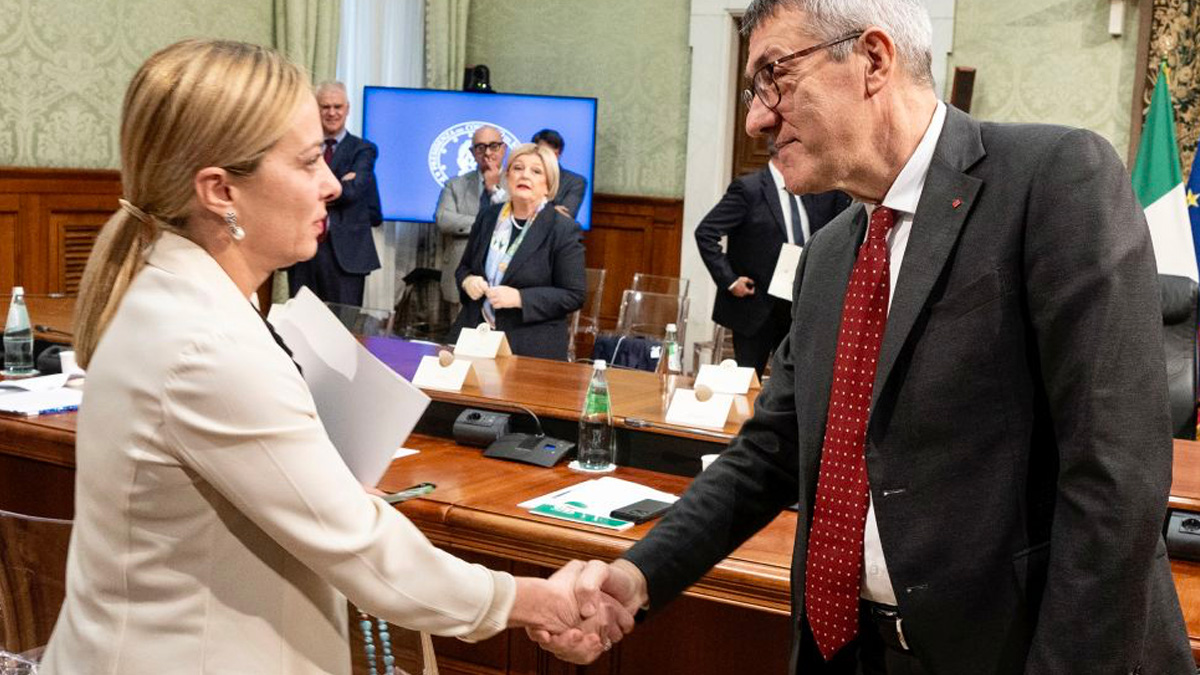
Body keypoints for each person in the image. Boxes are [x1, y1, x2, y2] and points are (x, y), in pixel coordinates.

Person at [538, 0, 1196, 673]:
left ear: (874, 60)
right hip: (851, 652)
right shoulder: (828, 256)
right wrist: (636, 578)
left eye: (775, 77)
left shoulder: (1054, 180)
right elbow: (769, 452)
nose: (756, 118)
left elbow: (1116, 477)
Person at [42, 39, 628, 674]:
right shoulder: (207, 344)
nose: (330, 184)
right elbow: (361, 549)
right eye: (307, 161)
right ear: (220, 191)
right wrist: (534, 599)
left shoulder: (174, 294)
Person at [695, 144, 849, 375]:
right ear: (784, 153)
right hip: (756, 304)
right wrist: (730, 280)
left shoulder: (809, 188)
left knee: (791, 379)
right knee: (748, 380)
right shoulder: (748, 189)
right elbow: (706, 232)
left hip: (797, 303)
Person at [448, 143, 585, 360]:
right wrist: (467, 282)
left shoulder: (562, 229)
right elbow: (463, 268)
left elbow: (573, 295)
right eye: (518, 168)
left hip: (529, 345)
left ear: (548, 185)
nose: (525, 175)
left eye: (536, 171)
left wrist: (520, 298)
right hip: (474, 335)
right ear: (507, 177)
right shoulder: (488, 217)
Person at [286, 81, 383, 307]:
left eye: (337, 107)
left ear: (347, 109)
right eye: (325, 106)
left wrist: (310, 185)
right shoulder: (299, 147)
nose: (332, 113)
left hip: (346, 256)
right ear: (316, 109)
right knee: (300, 326)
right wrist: (341, 183)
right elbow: (291, 188)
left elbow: (353, 191)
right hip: (303, 251)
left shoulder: (363, 149)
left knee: (344, 329)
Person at [435, 125, 509, 313]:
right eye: (480, 147)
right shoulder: (455, 184)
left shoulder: (517, 183)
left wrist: (495, 190)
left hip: (504, 276)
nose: (487, 153)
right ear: (472, 152)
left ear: (503, 149)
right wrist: (484, 224)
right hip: (463, 270)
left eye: (494, 146)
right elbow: (444, 220)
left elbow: (516, 220)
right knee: (458, 338)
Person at [532, 128, 588, 219]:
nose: (547, 158)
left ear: (559, 154)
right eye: (543, 153)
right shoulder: (525, 176)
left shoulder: (576, 182)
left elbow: (564, 217)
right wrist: (553, 210)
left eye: (552, 154)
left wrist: (535, 210)